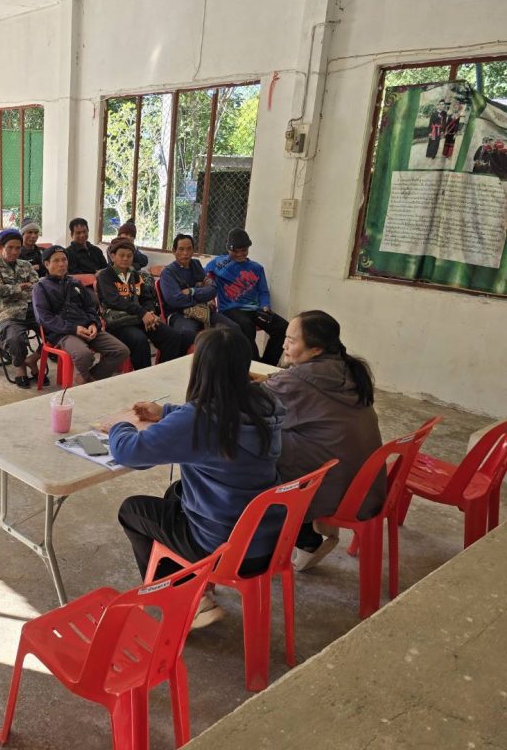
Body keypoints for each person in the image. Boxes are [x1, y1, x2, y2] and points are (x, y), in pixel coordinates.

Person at [113, 326, 286, 627]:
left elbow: (130, 452)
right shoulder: (266, 402)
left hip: (224, 547)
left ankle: (184, 601)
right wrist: (167, 412)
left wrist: (120, 425)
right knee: (176, 492)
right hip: (267, 537)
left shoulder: (199, 419)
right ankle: (194, 586)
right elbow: (214, 414)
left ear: (200, 366)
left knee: (132, 510)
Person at [259, 310, 384, 571]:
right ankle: (305, 533)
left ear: (316, 349)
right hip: (362, 482)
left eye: (291, 341)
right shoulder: (346, 368)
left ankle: (298, 537)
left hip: (336, 486)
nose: (283, 345)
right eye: (285, 338)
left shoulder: (297, 381)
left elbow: (252, 405)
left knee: (255, 450)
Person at [33, 245, 129, 385]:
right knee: (84, 355)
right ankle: (85, 380)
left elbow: (90, 308)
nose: (61, 264)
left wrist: (93, 324)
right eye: (56, 261)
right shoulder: (41, 287)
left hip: (87, 328)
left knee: (121, 350)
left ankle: (90, 378)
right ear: (47, 264)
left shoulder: (75, 283)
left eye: (64, 260)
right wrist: (74, 329)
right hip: (62, 333)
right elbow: (44, 318)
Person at [96, 237, 191, 369]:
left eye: (129, 256)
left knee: (172, 336)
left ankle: (161, 371)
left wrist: (150, 312)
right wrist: (143, 313)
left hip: (140, 318)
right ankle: (143, 376)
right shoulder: (105, 276)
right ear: (112, 256)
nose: (125, 259)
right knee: (139, 340)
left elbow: (146, 297)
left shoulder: (135, 275)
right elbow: (116, 301)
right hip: (119, 323)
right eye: (121, 255)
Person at [205, 228, 288, 366]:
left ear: (248, 249)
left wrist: (265, 306)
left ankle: (267, 365)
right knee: (246, 326)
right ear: (228, 249)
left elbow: (263, 291)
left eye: (243, 250)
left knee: (283, 327)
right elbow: (202, 278)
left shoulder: (256, 268)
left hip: (255, 309)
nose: (239, 254)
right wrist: (209, 297)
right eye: (235, 251)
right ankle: (255, 365)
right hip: (230, 309)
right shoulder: (218, 263)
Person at [0, 228, 43, 387]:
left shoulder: (26, 264)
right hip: (9, 313)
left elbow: (37, 286)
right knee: (15, 340)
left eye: (18, 248)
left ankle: (32, 359)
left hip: (32, 310)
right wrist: (21, 287)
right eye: (10, 247)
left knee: (57, 333)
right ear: (1, 247)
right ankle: (20, 367)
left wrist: (15, 289)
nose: (14, 252)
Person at [159, 233, 238, 337]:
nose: (185, 253)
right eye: (181, 249)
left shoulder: (195, 265)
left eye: (189, 249)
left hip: (203, 310)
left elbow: (213, 289)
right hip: (179, 314)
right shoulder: (168, 273)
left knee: (233, 328)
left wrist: (192, 291)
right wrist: (202, 296)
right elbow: (174, 300)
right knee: (188, 333)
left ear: (193, 250)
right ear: (174, 251)